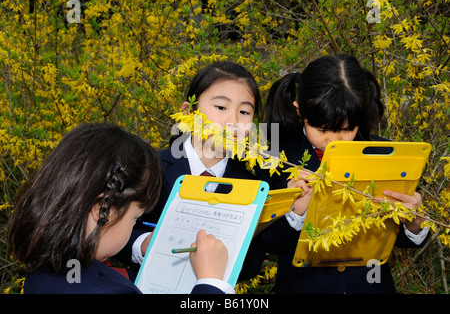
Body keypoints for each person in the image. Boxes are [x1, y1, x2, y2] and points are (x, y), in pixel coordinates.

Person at [243, 54, 429, 293]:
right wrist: (295, 211)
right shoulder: (273, 157)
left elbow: (396, 239)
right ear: (300, 110)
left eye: (346, 129)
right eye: (321, 129)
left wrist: (413, 223)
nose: (334, 139)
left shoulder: (383, 155)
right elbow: (266, 243)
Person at [8, 123, 230, 294]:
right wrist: (210, 282)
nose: (134, 224)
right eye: (135, 218)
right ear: (102, 210)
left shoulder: (47, 264)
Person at [118, 61, 262, 284]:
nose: (233, 122)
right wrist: (145, 244)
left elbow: (252, 264)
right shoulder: (151, 168)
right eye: (221, 107)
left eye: (244, 112)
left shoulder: (251, 185)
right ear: (189, 112)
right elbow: (112, 231)